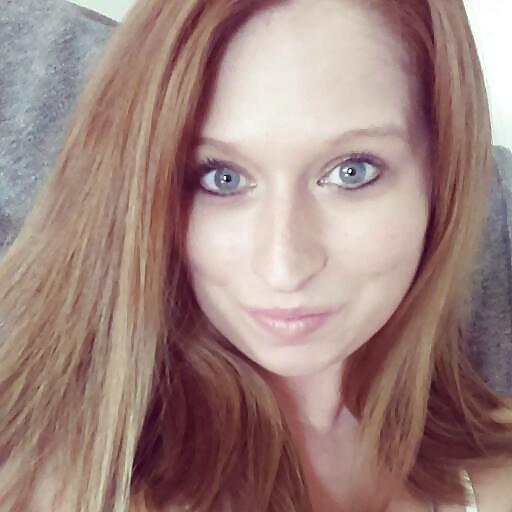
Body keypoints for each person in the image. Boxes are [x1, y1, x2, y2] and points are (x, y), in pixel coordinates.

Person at [0, 0, 511, 511]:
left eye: (351, 171)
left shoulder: (495, 456)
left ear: (441, 175)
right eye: (221, 178)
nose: (284, 267)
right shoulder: (63, 483)